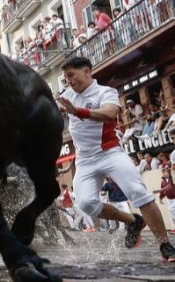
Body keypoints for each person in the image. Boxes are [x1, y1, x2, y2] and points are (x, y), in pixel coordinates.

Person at [56, 57, 175, 262]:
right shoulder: (66, 95)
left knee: (138, 191)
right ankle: (132, 221)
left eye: (71, 76)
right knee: (85, 203)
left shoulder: (106, 92)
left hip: (109, 152)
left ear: (87, 72)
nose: (68, 82)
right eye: (65, 78)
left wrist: (78, 111)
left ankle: (164, 243)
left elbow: (110, 113)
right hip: (84, 159)